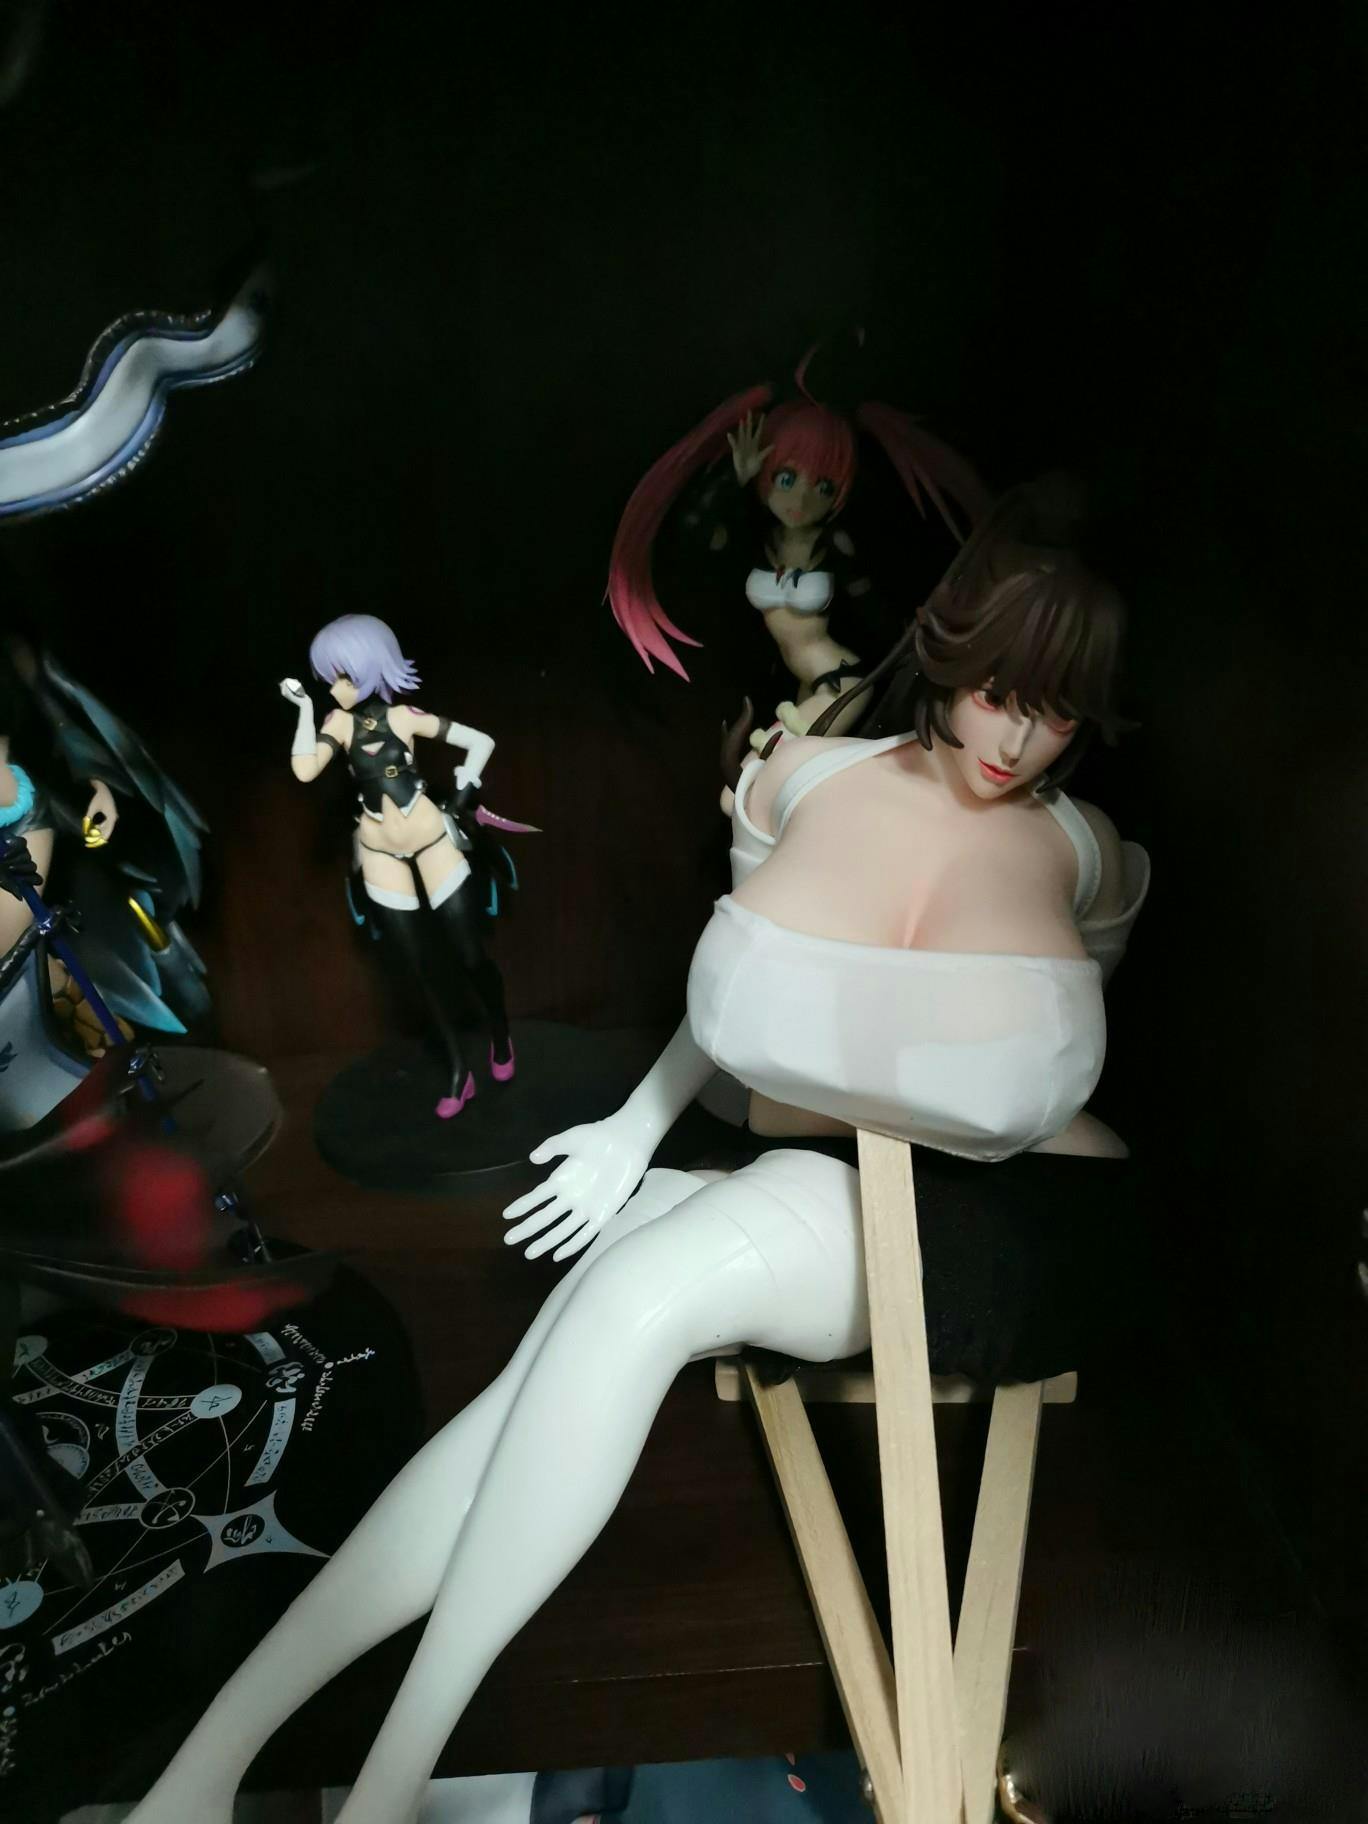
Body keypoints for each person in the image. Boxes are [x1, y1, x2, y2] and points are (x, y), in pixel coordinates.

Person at [131, 478, 1149, 1824]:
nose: (1018, 738)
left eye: (1059, 707)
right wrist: (637, 1127)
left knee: (627, 1296)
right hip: (821, 1175)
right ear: (950, 655)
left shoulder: (1088, 857)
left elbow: (1039, 1086)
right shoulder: (803, 779)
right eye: (1001, 690)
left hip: (996, 1219)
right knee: (571, 1343)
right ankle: (216, 1768)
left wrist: (828, 1118)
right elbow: (738, 1018)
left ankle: (366, 1790)